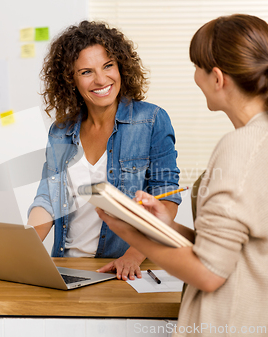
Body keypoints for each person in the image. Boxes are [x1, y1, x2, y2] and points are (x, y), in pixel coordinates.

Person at [97, 14, 268, 336]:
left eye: (197, 67)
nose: (195, 78)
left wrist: (129, 231)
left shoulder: (241, 148)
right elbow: (235, 249)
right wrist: (165, 225)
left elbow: (209, 273)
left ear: (217, 77)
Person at [27, 21, 182, 281]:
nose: (101, 80)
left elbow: (166, 197)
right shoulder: (61, 131)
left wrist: (134, 254)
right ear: (70, 80)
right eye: (86, 72)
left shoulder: (152, 120)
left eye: (108, 66)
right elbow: (48, 199)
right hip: (66, 267)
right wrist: (22, 248)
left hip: (124, 267)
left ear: (121, 66)